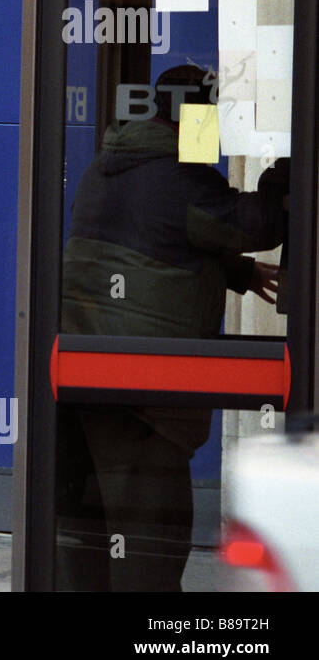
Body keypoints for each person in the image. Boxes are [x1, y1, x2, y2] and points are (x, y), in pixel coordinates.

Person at [57, 64, 288, 590]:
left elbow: (151, 242)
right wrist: (284, 173)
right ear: (196, 116)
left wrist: (239, 273)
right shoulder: (177, 173)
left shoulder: (112, 162)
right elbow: (254, 224)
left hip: (88, 374)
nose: (222, 134)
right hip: (142, 397)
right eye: (219, 119)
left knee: (94, 538)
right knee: (152, 547)